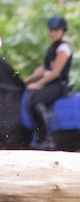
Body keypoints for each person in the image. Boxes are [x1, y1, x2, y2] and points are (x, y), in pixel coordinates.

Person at [25, 15, 73, 150]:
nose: (53, 33)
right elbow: (44, 69)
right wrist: (28, 79)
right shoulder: (54, 46)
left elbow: (55, 72)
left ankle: (47, 139)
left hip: (58, 84)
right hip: (50, 83)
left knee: (37, 102)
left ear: (63, 31)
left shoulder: (64, 48)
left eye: (56, 30)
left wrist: (38, 84)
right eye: (51, 30)